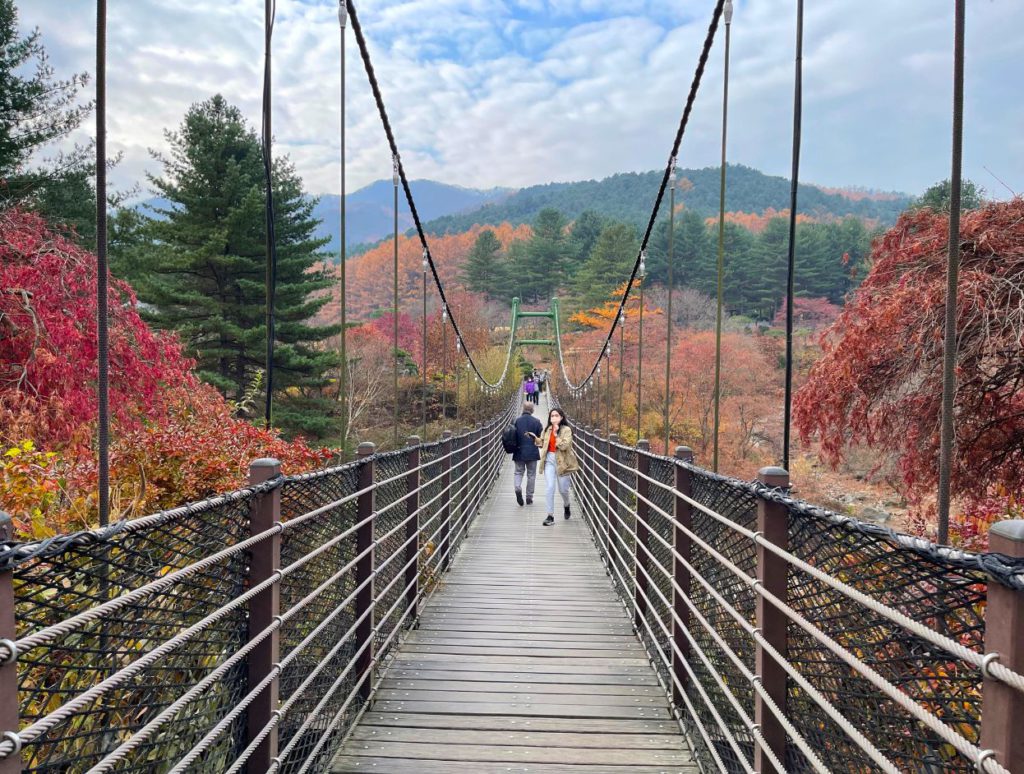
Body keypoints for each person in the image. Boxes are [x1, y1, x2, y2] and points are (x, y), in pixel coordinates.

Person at [530, 408, 581, 526]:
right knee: (549, 487)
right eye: (552, 416)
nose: (553, 418)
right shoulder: (547, 429)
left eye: (556, 415)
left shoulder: (566, 430)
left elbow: (564, 446)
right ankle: (550, 515)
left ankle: (566, 505)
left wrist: (555, 434)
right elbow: (542, 443)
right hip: (549, 460)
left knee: (563, 490)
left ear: (561, 417)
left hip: (563, 462)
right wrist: (534, 439)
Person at [512, 402, 543, 506]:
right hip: (532, 453)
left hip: (519, 451)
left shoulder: (516, 421)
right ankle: (529, 497)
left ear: (523, 409)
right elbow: (540, 438)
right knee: (531, 475)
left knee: (518, 472)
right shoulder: (537, 422)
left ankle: (517, 487)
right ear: (532, 410)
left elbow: (512, 435)